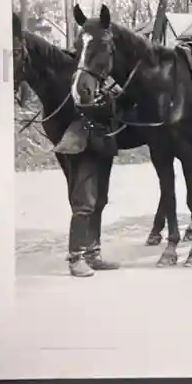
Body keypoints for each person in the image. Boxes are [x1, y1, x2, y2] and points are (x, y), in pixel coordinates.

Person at [56, 75, 123, 278]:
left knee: (100, 200)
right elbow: (85, 105)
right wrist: (111, 97)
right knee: (84, 204)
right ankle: (75, 258)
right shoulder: (81, 77)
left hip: (102, 143)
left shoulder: (104, 80)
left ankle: (92, 253)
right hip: (82, 144)